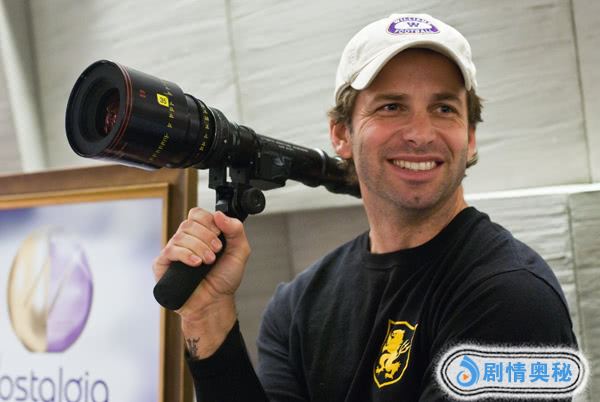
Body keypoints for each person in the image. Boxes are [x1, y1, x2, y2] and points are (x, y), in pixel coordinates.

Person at [152, 13, 578, 401]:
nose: (420, 133)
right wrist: (207, 318)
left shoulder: (511, 296)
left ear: (469, 138)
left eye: (443, 108)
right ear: (341, 134)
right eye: (391, 107)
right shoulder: (298, 307)